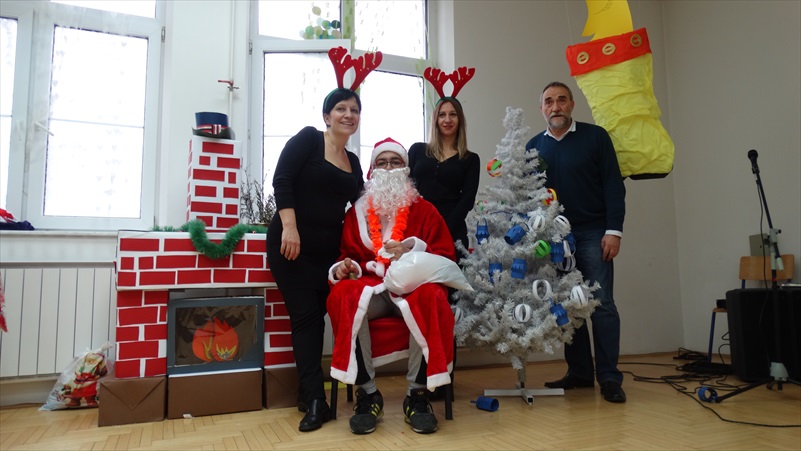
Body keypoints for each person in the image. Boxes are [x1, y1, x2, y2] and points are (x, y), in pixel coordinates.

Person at [326, 138, 457, 435]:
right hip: (372, 286)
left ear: (406, 169)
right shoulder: (356, 213)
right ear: (372, 171)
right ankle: (368, 394)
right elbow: (347, 255)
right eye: (382, 163)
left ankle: (417, 395)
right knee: (345, 294)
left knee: (433, 296)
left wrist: (411, 250)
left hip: (410, 288)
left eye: (395, 162)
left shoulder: (425, 210)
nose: (388, 168)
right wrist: (347, 267)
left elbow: (444, 257)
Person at [266, 87, 365, 432]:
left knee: (329, 317)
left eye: (354, 110)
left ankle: (312, 393)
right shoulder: (309, 140)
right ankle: (314, 401)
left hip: (330, 255)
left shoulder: (354, 162)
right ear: (327, 116)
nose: (348, 115)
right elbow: (282, 180)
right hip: (291, 247)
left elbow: (360, 208)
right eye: (341, 108)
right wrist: (290, 228)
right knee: (307, 319)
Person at [525, 81, 627, 403]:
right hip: (555, 240)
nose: (555, 107)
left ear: (571, 104)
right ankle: (580, 372)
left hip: (594, 232)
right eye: (549, 101)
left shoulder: (596, 137)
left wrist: (614, 230)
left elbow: (613, 184)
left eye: (561, 100)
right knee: (569, 306)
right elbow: (529, 196)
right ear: (542, 108)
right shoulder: (533, 146)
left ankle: (609, 378)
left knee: (601, 304)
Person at [408, 97, 480, 263]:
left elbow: (467, 199)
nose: (447, 120)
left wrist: (443, 228)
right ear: (435, 119)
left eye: (453, 114)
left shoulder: (470, 159)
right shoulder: (417, 150)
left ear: (460, 119)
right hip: (418, 227)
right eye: (442, 115)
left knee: (449, 278)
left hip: (452, 230)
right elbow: (406, 186)